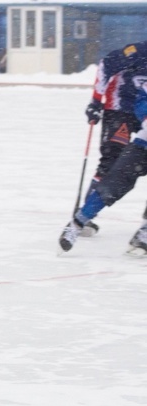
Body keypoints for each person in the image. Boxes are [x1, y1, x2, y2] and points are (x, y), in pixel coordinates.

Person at [59, 42, 147, 256]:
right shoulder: (138, 52)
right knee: (113, 164)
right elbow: (107, 64)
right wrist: (96, 102)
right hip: (121, 109)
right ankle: (83, 218)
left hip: (142, 112)